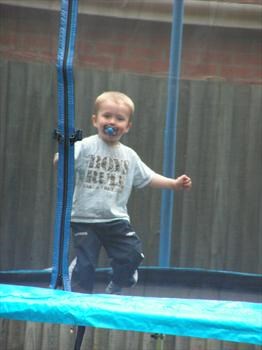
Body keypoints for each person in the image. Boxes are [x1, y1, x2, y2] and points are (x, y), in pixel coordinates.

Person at [54, 91, 192, 294]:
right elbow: (65, 160)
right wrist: (60, 157)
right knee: (85, 265)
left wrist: (173, 184)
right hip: (84, 218)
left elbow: (148, 177)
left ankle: (119, 282)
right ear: (95, 120)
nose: (112, 122)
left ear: (127, 127)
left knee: (131, 254)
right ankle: (78, 300)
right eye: (107, 116)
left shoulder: (129, 156)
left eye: (120, 118)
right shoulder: (84, 146)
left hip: (115, 219)